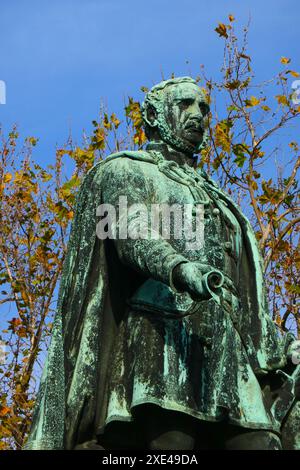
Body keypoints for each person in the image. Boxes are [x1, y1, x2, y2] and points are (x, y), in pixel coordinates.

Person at [25, 77, 300, 450]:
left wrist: (280, 343)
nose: (198, 115)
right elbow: (130, 233)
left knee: (262, 442)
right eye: (186, 104)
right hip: (162, 331)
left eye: (203, 108)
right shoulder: (126, 170)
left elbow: (245, 289)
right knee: (172, 444)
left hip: (227, 344)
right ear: (154, 115)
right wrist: (180, 268)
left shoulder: (219, 199)